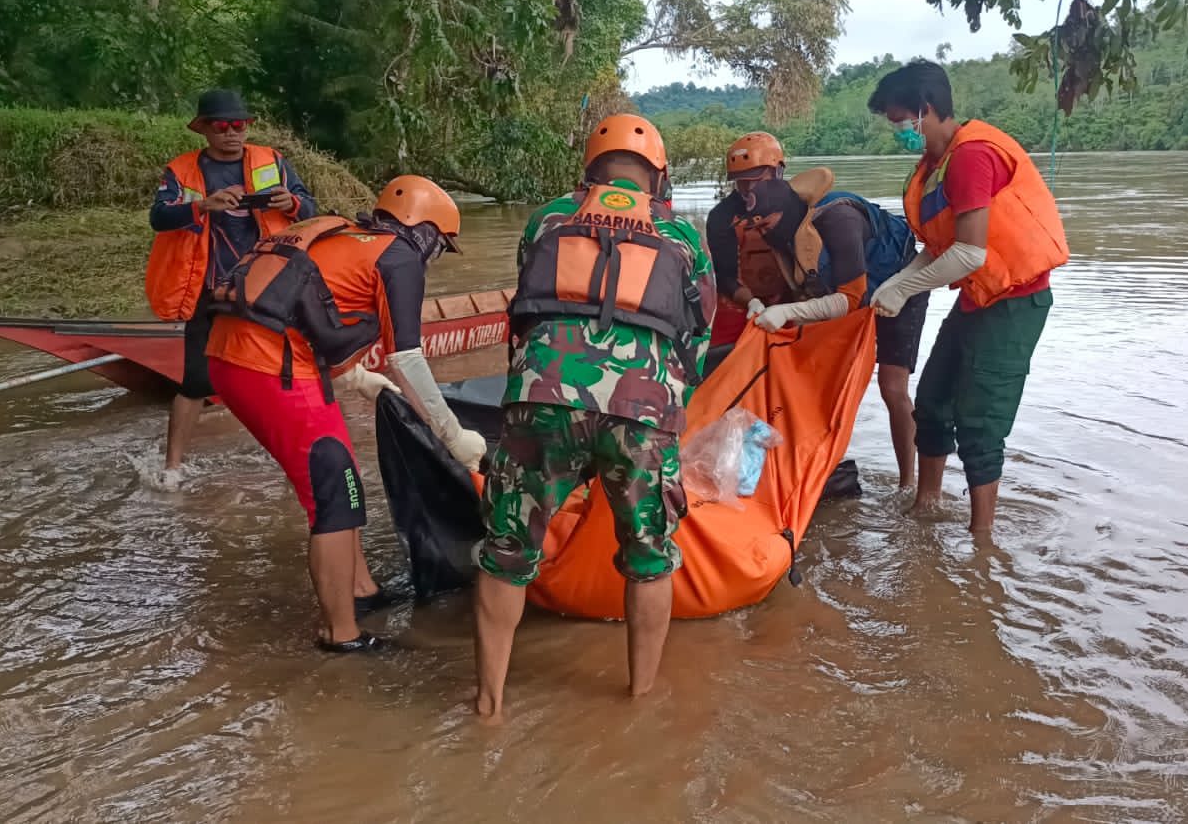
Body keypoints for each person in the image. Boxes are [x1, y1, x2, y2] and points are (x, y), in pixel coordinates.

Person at [473, 114, 715, 719]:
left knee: (507, 552)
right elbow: (699, 341)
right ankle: (639, 703)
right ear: (660, 176)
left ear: (589, 171)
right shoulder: (683, 235)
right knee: (650, 557)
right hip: (641, 408)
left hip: (539, 399)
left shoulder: (547, 218)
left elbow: (524, 309)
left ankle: (488, 705)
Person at [203, 175, 486, 652]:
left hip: (235, 355)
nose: (435, 257)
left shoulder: (343, 235)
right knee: (333, 492)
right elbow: (407, 360)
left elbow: (309, 307)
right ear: (426, 231)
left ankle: (361, 592)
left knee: (344, 475)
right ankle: (341, 633)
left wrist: (358, 379)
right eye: (440, 245)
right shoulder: (398, 258)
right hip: (271, 366)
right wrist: (453, 436)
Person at [865, 60, 1068, 529]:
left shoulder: (973, 156)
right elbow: (938, 248)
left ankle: (982, 545)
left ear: (926, 110)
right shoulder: (934, 165)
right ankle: (926, 507)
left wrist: (905, 289)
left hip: (1015, 301)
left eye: (899, 121)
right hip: (977, 299)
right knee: (933, 403)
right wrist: (895, 283)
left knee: (980, 422)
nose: (896, 130)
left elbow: (971, 255)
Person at [705, 131, 927, 488]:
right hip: (831, 293)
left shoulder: (836, 217)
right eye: (740, 183)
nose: (747, 192)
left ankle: (909, 484)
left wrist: (786, 311)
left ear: (778, 173)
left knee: (892, 385)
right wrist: (758, 303)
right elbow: (742, 279)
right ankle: (808, 463)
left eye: (755, 179)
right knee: (812, 380)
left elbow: (851, 298)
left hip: (895, 284)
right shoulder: (760, 223)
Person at [147, 89, 317, 484]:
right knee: (194, 381)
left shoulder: (272, 161)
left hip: (265, 284)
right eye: (222, 126)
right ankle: (172, 469)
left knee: (280, 370)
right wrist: (203, 206)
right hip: (208, 289)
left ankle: (293, 455)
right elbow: (159, 217)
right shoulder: (181, 171)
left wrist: (289, 203)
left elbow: (310, 208)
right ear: (204, 129)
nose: (232, 133)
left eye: (239, 125)